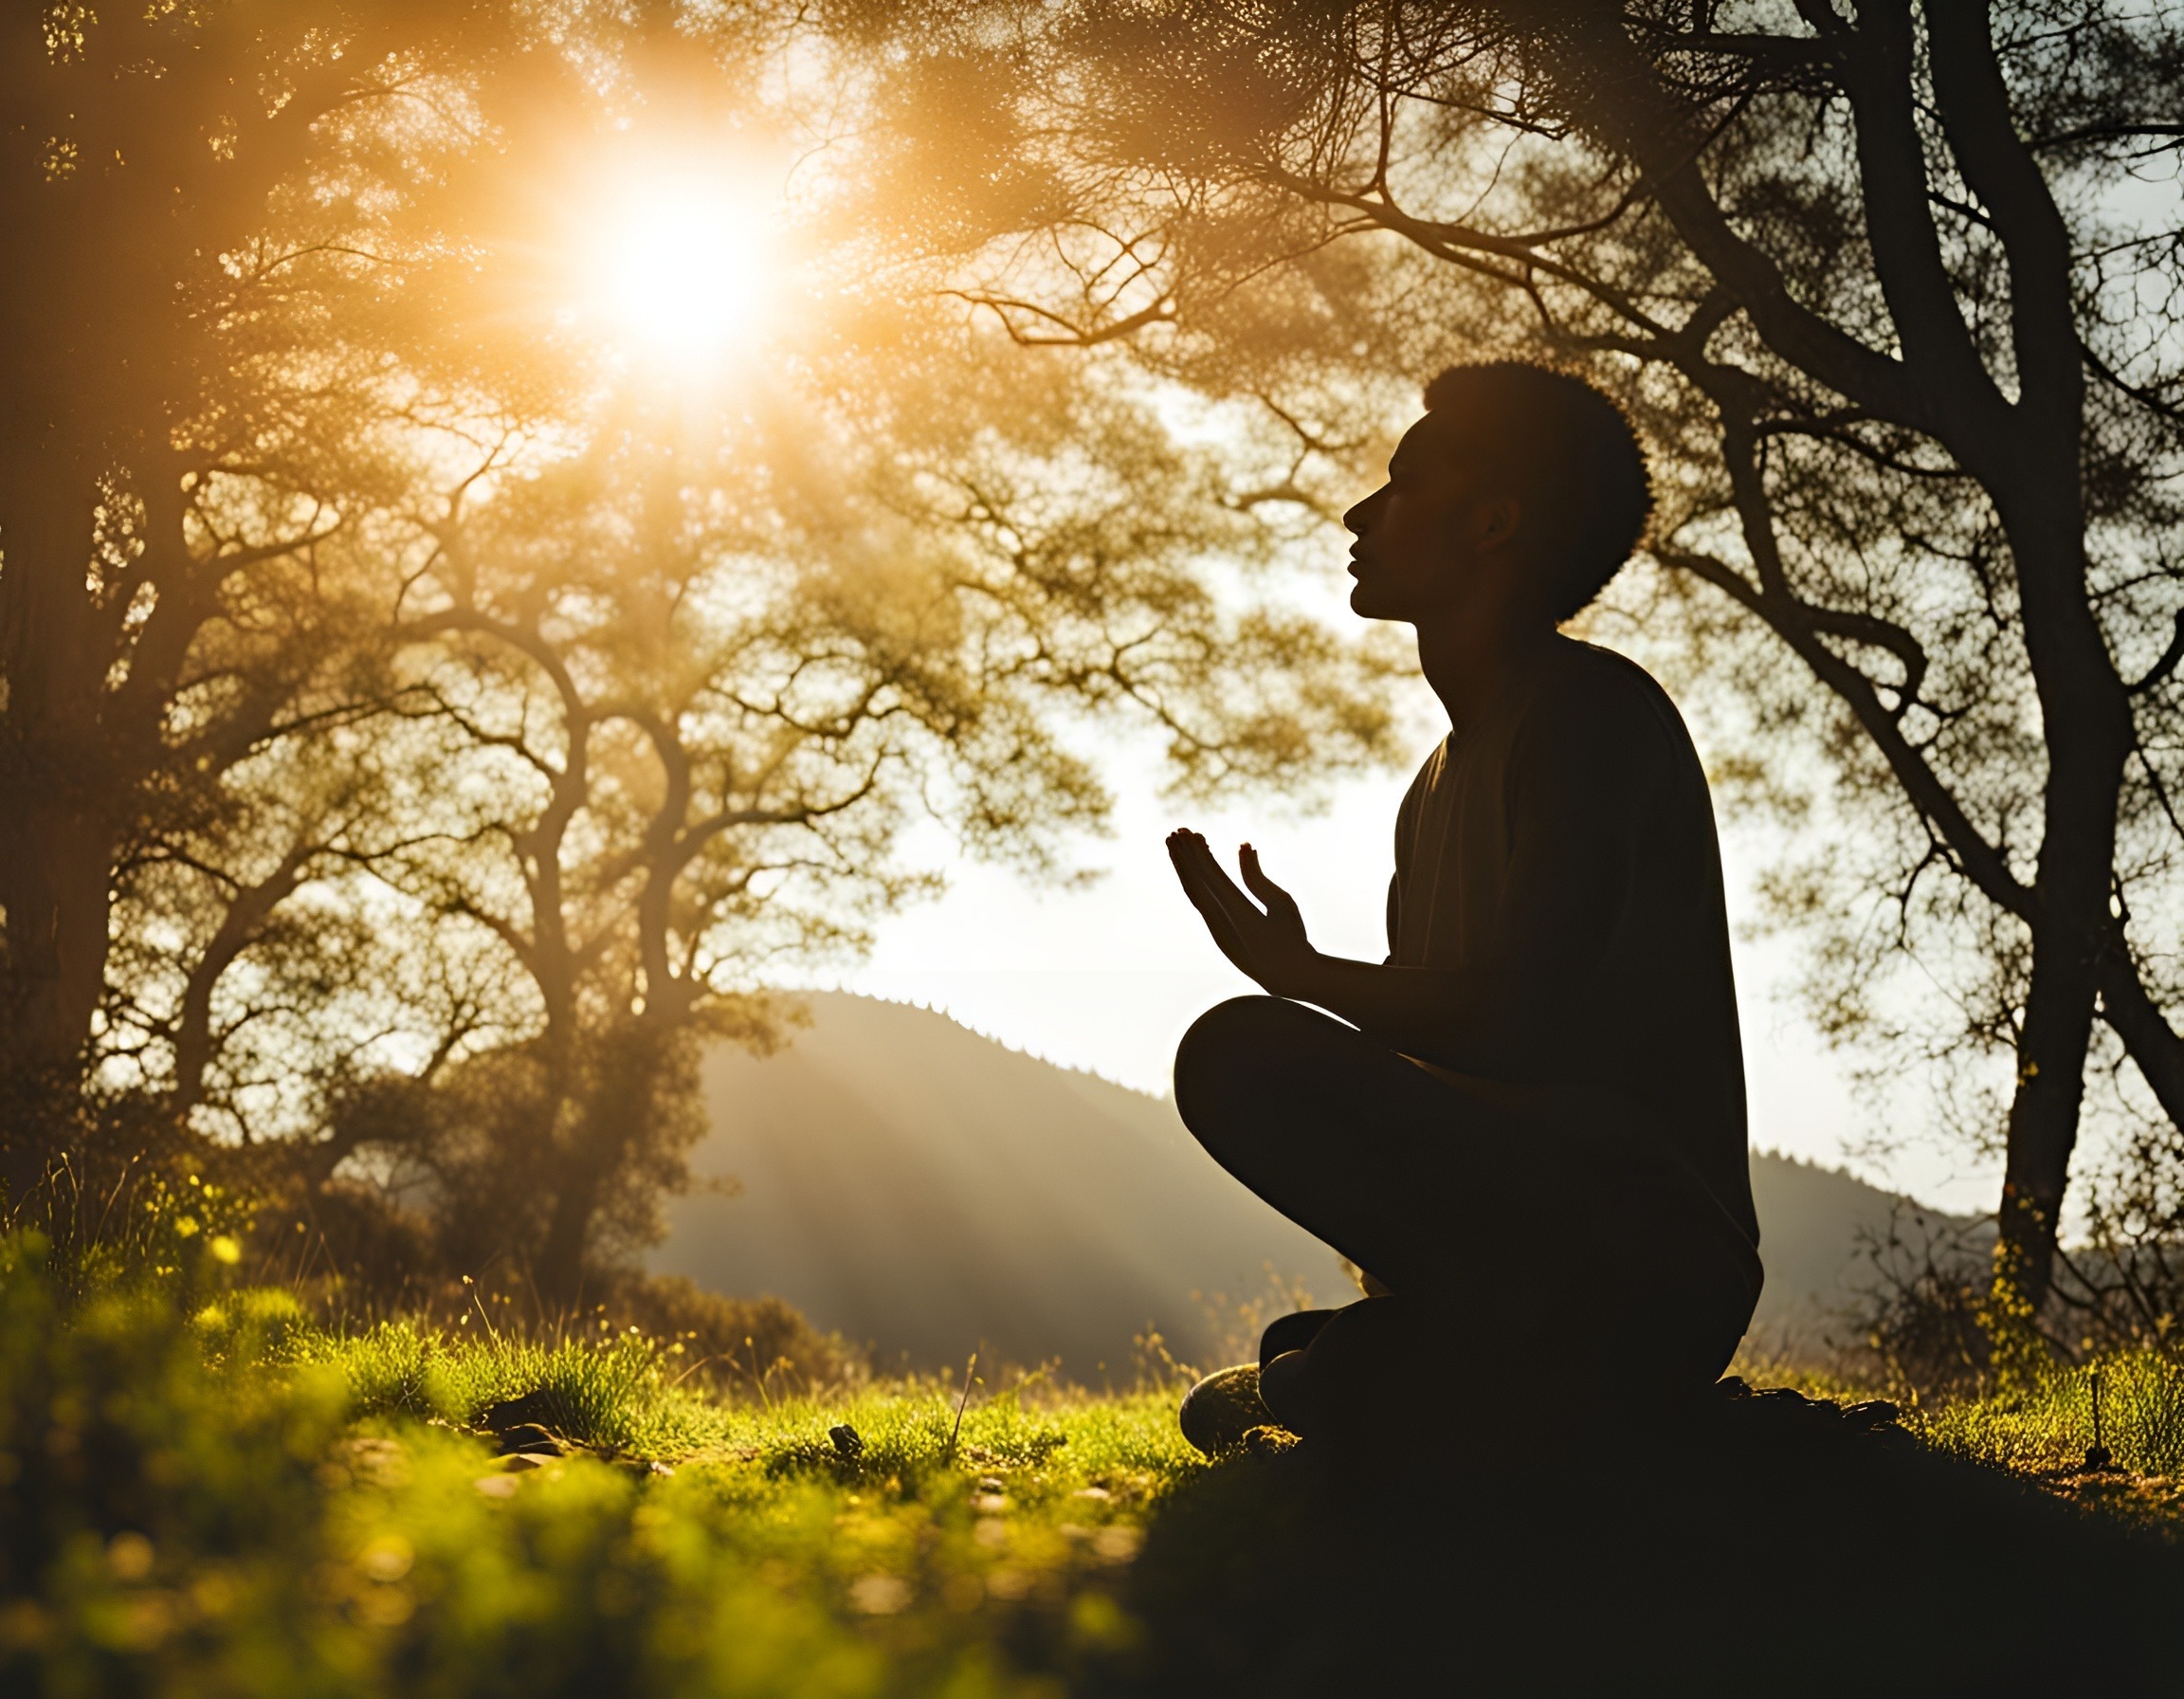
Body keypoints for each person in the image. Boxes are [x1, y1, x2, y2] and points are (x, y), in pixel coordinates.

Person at [1167, 362, 1762, 1453]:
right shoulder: (1429, 789)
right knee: (1291, 1362)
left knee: (1234, 1054)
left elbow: (1522, 1019)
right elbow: (1448, 1075)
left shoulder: (1595, 716)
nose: (1359, 512)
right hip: (1528, 1257)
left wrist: (1301, 978)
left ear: (1492, 521)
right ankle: (1436, 1368)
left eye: (1402, 485)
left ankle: (1469, 1380)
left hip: (1651, 1258)